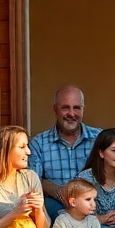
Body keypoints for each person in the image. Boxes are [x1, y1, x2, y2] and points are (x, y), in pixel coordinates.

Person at [28, 86, 101, 220]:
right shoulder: (37, 144)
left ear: (83, 109)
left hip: (96, 205)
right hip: (59, 208)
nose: (71, 114)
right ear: (55, 110)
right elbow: (33, 182)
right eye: (65, 108)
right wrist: (56, 190)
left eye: (77, 108)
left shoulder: (100, 139)